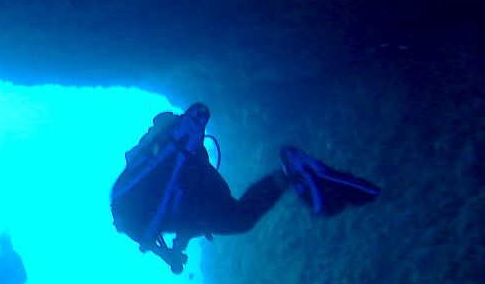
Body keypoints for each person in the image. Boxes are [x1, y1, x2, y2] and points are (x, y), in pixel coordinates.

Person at [110, 103, 380, 273]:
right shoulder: (139, 206)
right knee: (236, 216)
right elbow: (181, 218)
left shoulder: (138, 226)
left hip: (192, 184)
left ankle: (290, 174)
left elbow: (164, 244)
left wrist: (172, 256)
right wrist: (181, 242)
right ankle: (293, 174)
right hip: (195, 179)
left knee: (239, 219)